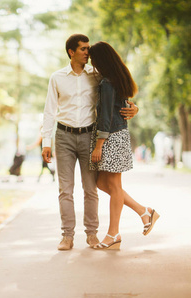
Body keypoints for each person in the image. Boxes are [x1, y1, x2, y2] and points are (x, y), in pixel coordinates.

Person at [41, 34, 139, 250]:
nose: (88, 52)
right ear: (71, 52)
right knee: (65, 189)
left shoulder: (97, 75)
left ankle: (92, 234)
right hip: (63, 137)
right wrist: (45, 142)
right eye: (84, 49)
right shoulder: (57, 77)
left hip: (89, 137)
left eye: (88, 48)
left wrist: (134, 107)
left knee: (90, 189)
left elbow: (118, 94)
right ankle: (67, 236)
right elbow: (49, 111)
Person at [89, 41, 160, 250]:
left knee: (114, 186)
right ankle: (144, 212)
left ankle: (113, 234)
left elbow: (107, 116)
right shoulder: (118, 78)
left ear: (101, 60)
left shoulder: (107, 83)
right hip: (117, 135)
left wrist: (99, 145)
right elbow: (125, 106)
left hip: (110, 137)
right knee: (103, 184)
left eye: (94, 60)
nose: (93, 64)